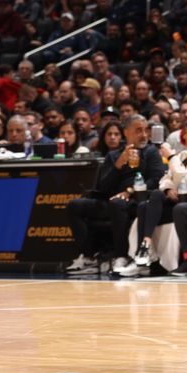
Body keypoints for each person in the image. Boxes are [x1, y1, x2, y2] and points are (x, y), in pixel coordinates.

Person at [66, 115, 165, 275]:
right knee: (75, 206)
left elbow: (157, 179)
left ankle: (121, 256)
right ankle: (89, 257)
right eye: (138, 130)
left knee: (117, 204)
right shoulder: (114, 155)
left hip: (138, 201)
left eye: (145, 130)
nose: (144, 135)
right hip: (111, 200)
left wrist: (129, 191)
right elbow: (102, 188)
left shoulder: (151, 152)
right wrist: (119, 164)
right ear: (126, 133)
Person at [122, 119, 187, 276]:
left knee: (152, 203)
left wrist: (171, 158)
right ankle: (142, 254)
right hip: (173, 201)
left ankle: (145, 250)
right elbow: (165, 178)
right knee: (146, 203)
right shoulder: (184, 154)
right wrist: (168, 189)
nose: (183, 135)